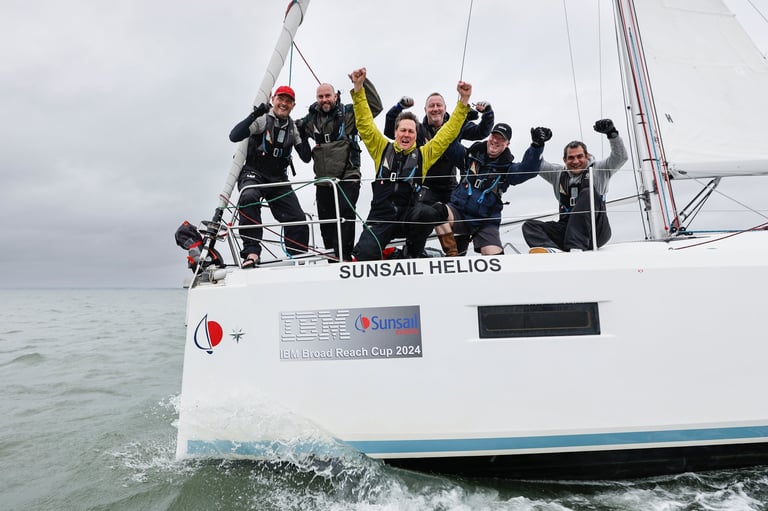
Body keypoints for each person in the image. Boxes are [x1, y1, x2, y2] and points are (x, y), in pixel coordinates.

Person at [348, 67, 472, 261]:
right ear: (396, 132)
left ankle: (410, 255)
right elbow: (364, 123)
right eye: (403, 130)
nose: (406, 134)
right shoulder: (381, 148)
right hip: (381, 217)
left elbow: (448, 133)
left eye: (411, 132)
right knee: (364, 254)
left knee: (428, 212)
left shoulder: (425, 154)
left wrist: (463, 101)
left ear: (416, 135)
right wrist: (358, 89)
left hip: (408, 216)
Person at [295, 79, 382, 261]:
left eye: (328, 95)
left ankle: (344, 256)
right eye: (321, 96)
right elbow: (292, 128)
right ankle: (331, 258)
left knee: (344, 214)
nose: (325, 99)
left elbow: (374, 107)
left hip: (349, 174)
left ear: (335, 96)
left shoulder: (349, 112)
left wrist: (363, 83)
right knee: (326, 220)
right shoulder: (310, 120)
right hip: (323, 178)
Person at [434, 124, 551, 256]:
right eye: (494, 136)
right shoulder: (470, 155)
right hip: (459, 212)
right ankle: (452, 256)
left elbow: (528, 170)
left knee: (496, 259)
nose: (495, 141)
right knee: (437, 211)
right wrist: (462, 122)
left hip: (485, 221)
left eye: (501, 139)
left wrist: (536, 146)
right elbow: (448, 144)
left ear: (507, 144)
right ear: (489, 137)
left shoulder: (508, 169)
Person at [229, 85, 312, 268]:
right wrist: (254, 115)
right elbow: (234, 136)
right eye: (280, 99)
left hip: (278, 179)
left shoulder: (293, 128)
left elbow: (306, 157)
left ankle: (297, 257)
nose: (284, 103)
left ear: (293, 105)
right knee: (248, 197)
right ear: (273, 99)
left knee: (298, 219)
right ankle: (251, 252)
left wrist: (304, 133)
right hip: (254, 173)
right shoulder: (262, 120)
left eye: (288, 101)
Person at [522, 118, 628, 252]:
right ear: (564, 160)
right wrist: (537, 145)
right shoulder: (557, 174)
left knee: (588, 193)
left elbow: (620, 158)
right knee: (529, 226)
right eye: (571, 158)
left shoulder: (600, 170)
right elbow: (534, 165)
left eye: (580, 156)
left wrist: (612, 134)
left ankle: (575, 248)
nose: (576, 161)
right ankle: (554, 252)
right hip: (567, 229)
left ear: (587, 156)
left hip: (596, 231)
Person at [383, 93, 494, 205]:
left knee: (460, 212)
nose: (435, 109)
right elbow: (390, 131)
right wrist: (399, 107)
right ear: (425, 110)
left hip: (450, 187)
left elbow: (481, 132)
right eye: (431, 106)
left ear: (445, 109)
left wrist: (488, 114)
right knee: (423, 213)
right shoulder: (418, 130)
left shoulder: (457, 126)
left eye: (439, 105)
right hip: (425, 186)